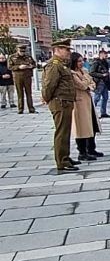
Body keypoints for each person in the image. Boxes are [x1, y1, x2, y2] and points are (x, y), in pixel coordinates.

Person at [41, 39, 78, 173]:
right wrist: (46, 98)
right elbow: (49, 84)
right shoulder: (54, 65)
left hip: (66, 101)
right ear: (57, 50)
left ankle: (65, 156)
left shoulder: (61, 64)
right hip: (60, 102)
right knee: (61, 132)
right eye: (66, 50)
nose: (69, 52)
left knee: (66, 131)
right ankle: (62, 161)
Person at [70, 52, 103, 162]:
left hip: (88, 101)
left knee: (91, 125)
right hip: (79, 102)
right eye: (79, 61)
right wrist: (87, 83)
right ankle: (82, 152)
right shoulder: (72, 73)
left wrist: (89, 84)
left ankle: (91, 148)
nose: (81, 63)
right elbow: (82, 85)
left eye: (82, 60)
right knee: (81, 128)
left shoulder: (84, 71)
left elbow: (92, 83)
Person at [9, 43, 37, 114]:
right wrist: (19, 67)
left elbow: (34, 64)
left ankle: (31, 108)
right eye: (21, 51)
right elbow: (10, 67)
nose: (22, 53)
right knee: (20, 93)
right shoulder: (12, 57)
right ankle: (20, 109)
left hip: (27, 77)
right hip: (18, 77)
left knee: (29, 93)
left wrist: (31, 66)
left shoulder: (28, 57)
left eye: (23, 51)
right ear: (17, 50)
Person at [90, 49, 110, 118]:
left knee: (105, 98)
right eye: (105, 54)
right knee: (96, 98)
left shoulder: (106, 62)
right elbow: (91, 72)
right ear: (101, 54)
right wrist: (101, 75)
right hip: (99, 82)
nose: (106, 55)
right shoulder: (96, 62)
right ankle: (91, 112)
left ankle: (103, 112)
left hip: (105, 82)